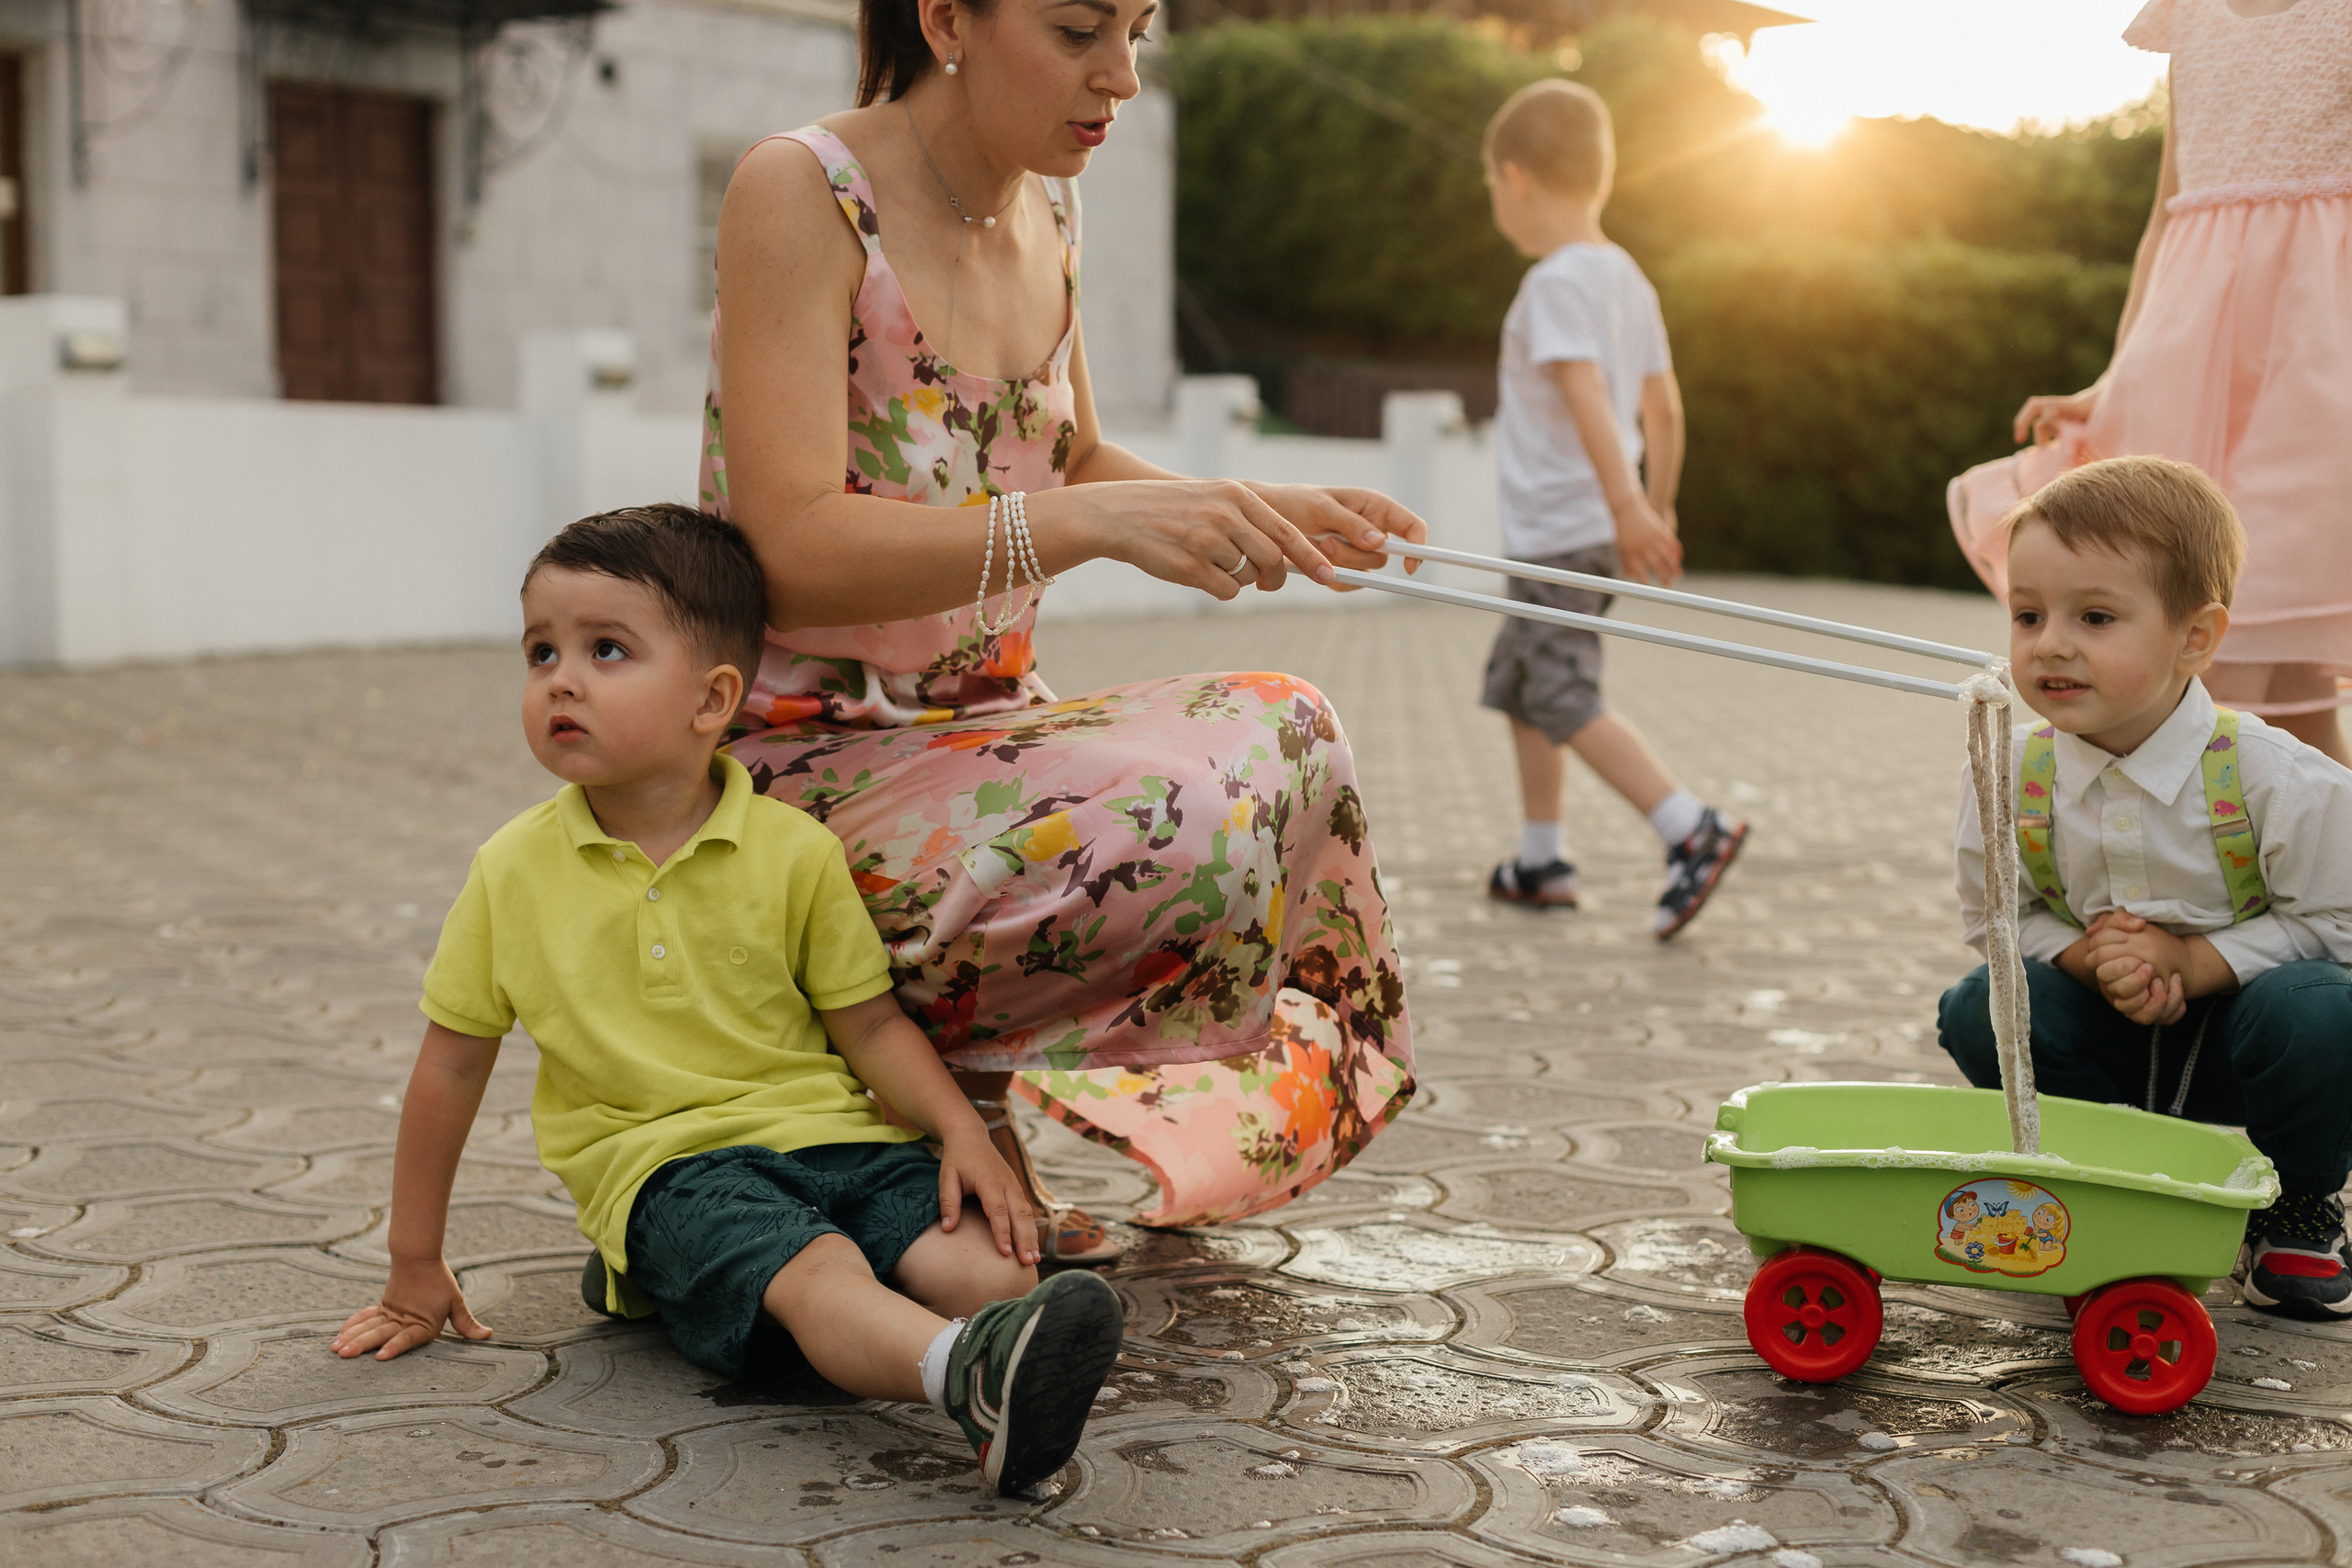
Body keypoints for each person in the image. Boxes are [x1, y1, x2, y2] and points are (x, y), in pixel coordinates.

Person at [702, 0, 1420, 1258]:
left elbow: (1071, 455)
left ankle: (960, 1107)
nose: (1124, 78)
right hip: (803, 760)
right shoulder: (801, 189)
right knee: (1167, 820)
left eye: (1138, 29)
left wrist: (1251, 509)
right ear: (946, 20)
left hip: (983, 733)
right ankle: (932, 1123)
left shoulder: (1052, 205)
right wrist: (1080, 528)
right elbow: (789, 550)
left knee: (1290, 731)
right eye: (1082, 28)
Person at [332, 506, 1124, 1495]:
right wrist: (415, 1260)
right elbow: (449, 1064)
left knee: (991, 1270)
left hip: (838, 1143)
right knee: (820, 1271)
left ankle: (705, 1297)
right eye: (540, 653)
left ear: (712, 700)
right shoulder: (512, 871)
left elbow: (869, 1023)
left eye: (606, 649)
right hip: (675, 1166)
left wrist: (959, 1131)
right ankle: (963, 1379)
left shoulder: (794, 851)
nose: (560, 679)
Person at [1939, 458, 2352, 1321]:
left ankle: (2298, 1204)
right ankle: (2097, 1181)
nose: (2050, 642)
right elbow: (1995, 918)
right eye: (2028, 614)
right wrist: (2085, 957)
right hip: (2108, 1037)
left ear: (2196, 637)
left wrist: (2200, 960)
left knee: (2323, 1008)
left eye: (2095, 617)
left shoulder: (2275, 776)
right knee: (1980, 1002)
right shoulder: (2009, 769)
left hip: (2249, 1047)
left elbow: (2341, 919)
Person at [1951, 0, 2352, 765]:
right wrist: (2111, 380)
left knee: (2264, 652)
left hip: (2317, 366)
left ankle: (2298, 868)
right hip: (2189, 365)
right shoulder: (2191, 16)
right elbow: (2168, 219)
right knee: (2215, 667)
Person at [1475, 79, 1747, 938]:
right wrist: (1653, 505)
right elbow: (1662, 409)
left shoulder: (1553, 283)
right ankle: (1541, 858)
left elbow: (1590, 396)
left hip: (1563, 533)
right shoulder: (1627, 279)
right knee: (1520, 686)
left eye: (1490, 186)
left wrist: (1630, 507)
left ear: (1515, 178)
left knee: (1557, 687)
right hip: (1587, 530)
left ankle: (1689, 828)